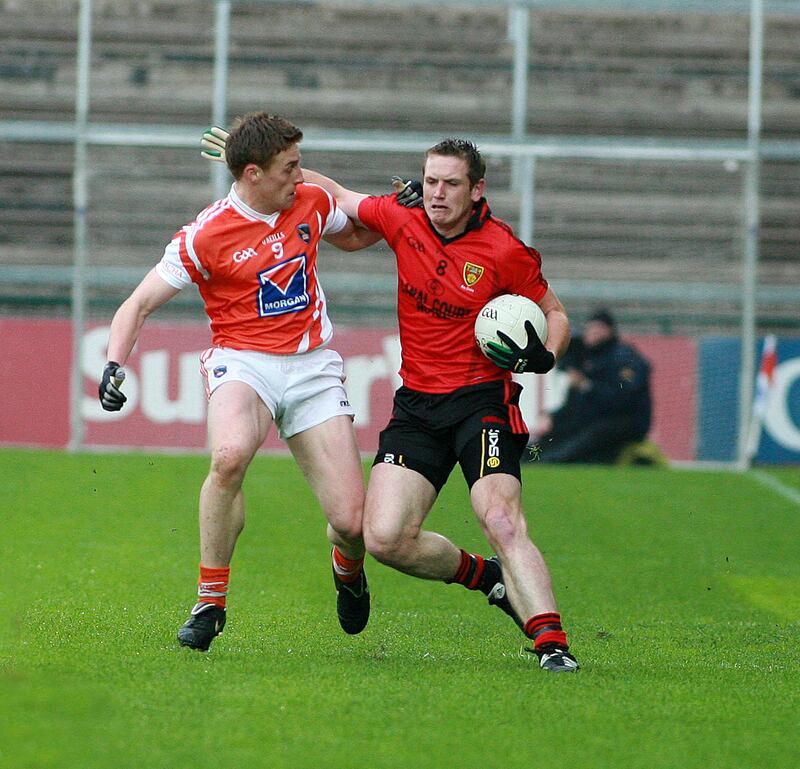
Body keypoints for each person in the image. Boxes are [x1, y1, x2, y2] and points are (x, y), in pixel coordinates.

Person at [202, 129, 579, 671]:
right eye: (430, 182)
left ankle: (553, 645)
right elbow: (329, 191)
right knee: (382, 538)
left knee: (498, 516)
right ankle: (486, 576)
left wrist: (546, 354)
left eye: (451, 184)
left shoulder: (504, 250)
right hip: (417, 408)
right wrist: (249, 161)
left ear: (477, 189)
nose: (437, 193)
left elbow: (557, 313)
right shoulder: (403, 219)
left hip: (482, 402)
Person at [99, 112, 383, 652]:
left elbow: (357, 236)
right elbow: (136, 304)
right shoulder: (205, 234)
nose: (301, 177)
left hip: (312, 366)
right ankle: (209, 602)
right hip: (243, 361)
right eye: (290, 167)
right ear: (253, 174)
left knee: (350, 522)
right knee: (229, 456)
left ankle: (347, 571)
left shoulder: (310, 202)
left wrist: (398, 212)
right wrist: (115, 363)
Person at [533, 308, 652, 464]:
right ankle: (530, 458)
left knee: (585, 440)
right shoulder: (588, 357)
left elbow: (623, 400)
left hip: (623, 421)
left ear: (608, 330)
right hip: (594, 419)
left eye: (596, 328)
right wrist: (553, 417)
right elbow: (574, 405)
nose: (591, 333)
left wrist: (586, 386)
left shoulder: (623, 357)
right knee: (556, 431)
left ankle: (552, 461)